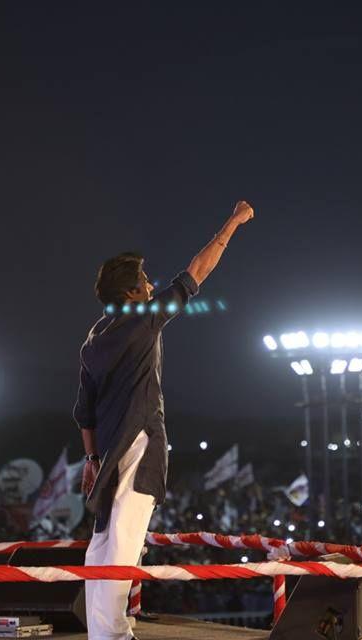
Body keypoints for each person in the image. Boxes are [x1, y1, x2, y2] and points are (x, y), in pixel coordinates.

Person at [74, 200, 255, 640]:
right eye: (143, 281)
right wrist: (232, 223)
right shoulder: (142, 321)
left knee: (103, 543)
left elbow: (85, 412)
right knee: (123, 541)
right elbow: (197, 270)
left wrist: (92, 459)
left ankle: (106, 631)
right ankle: (114, 635)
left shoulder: (95, 337)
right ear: (131, 294)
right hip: (136, 445)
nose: (151, 285)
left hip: (109, 455)